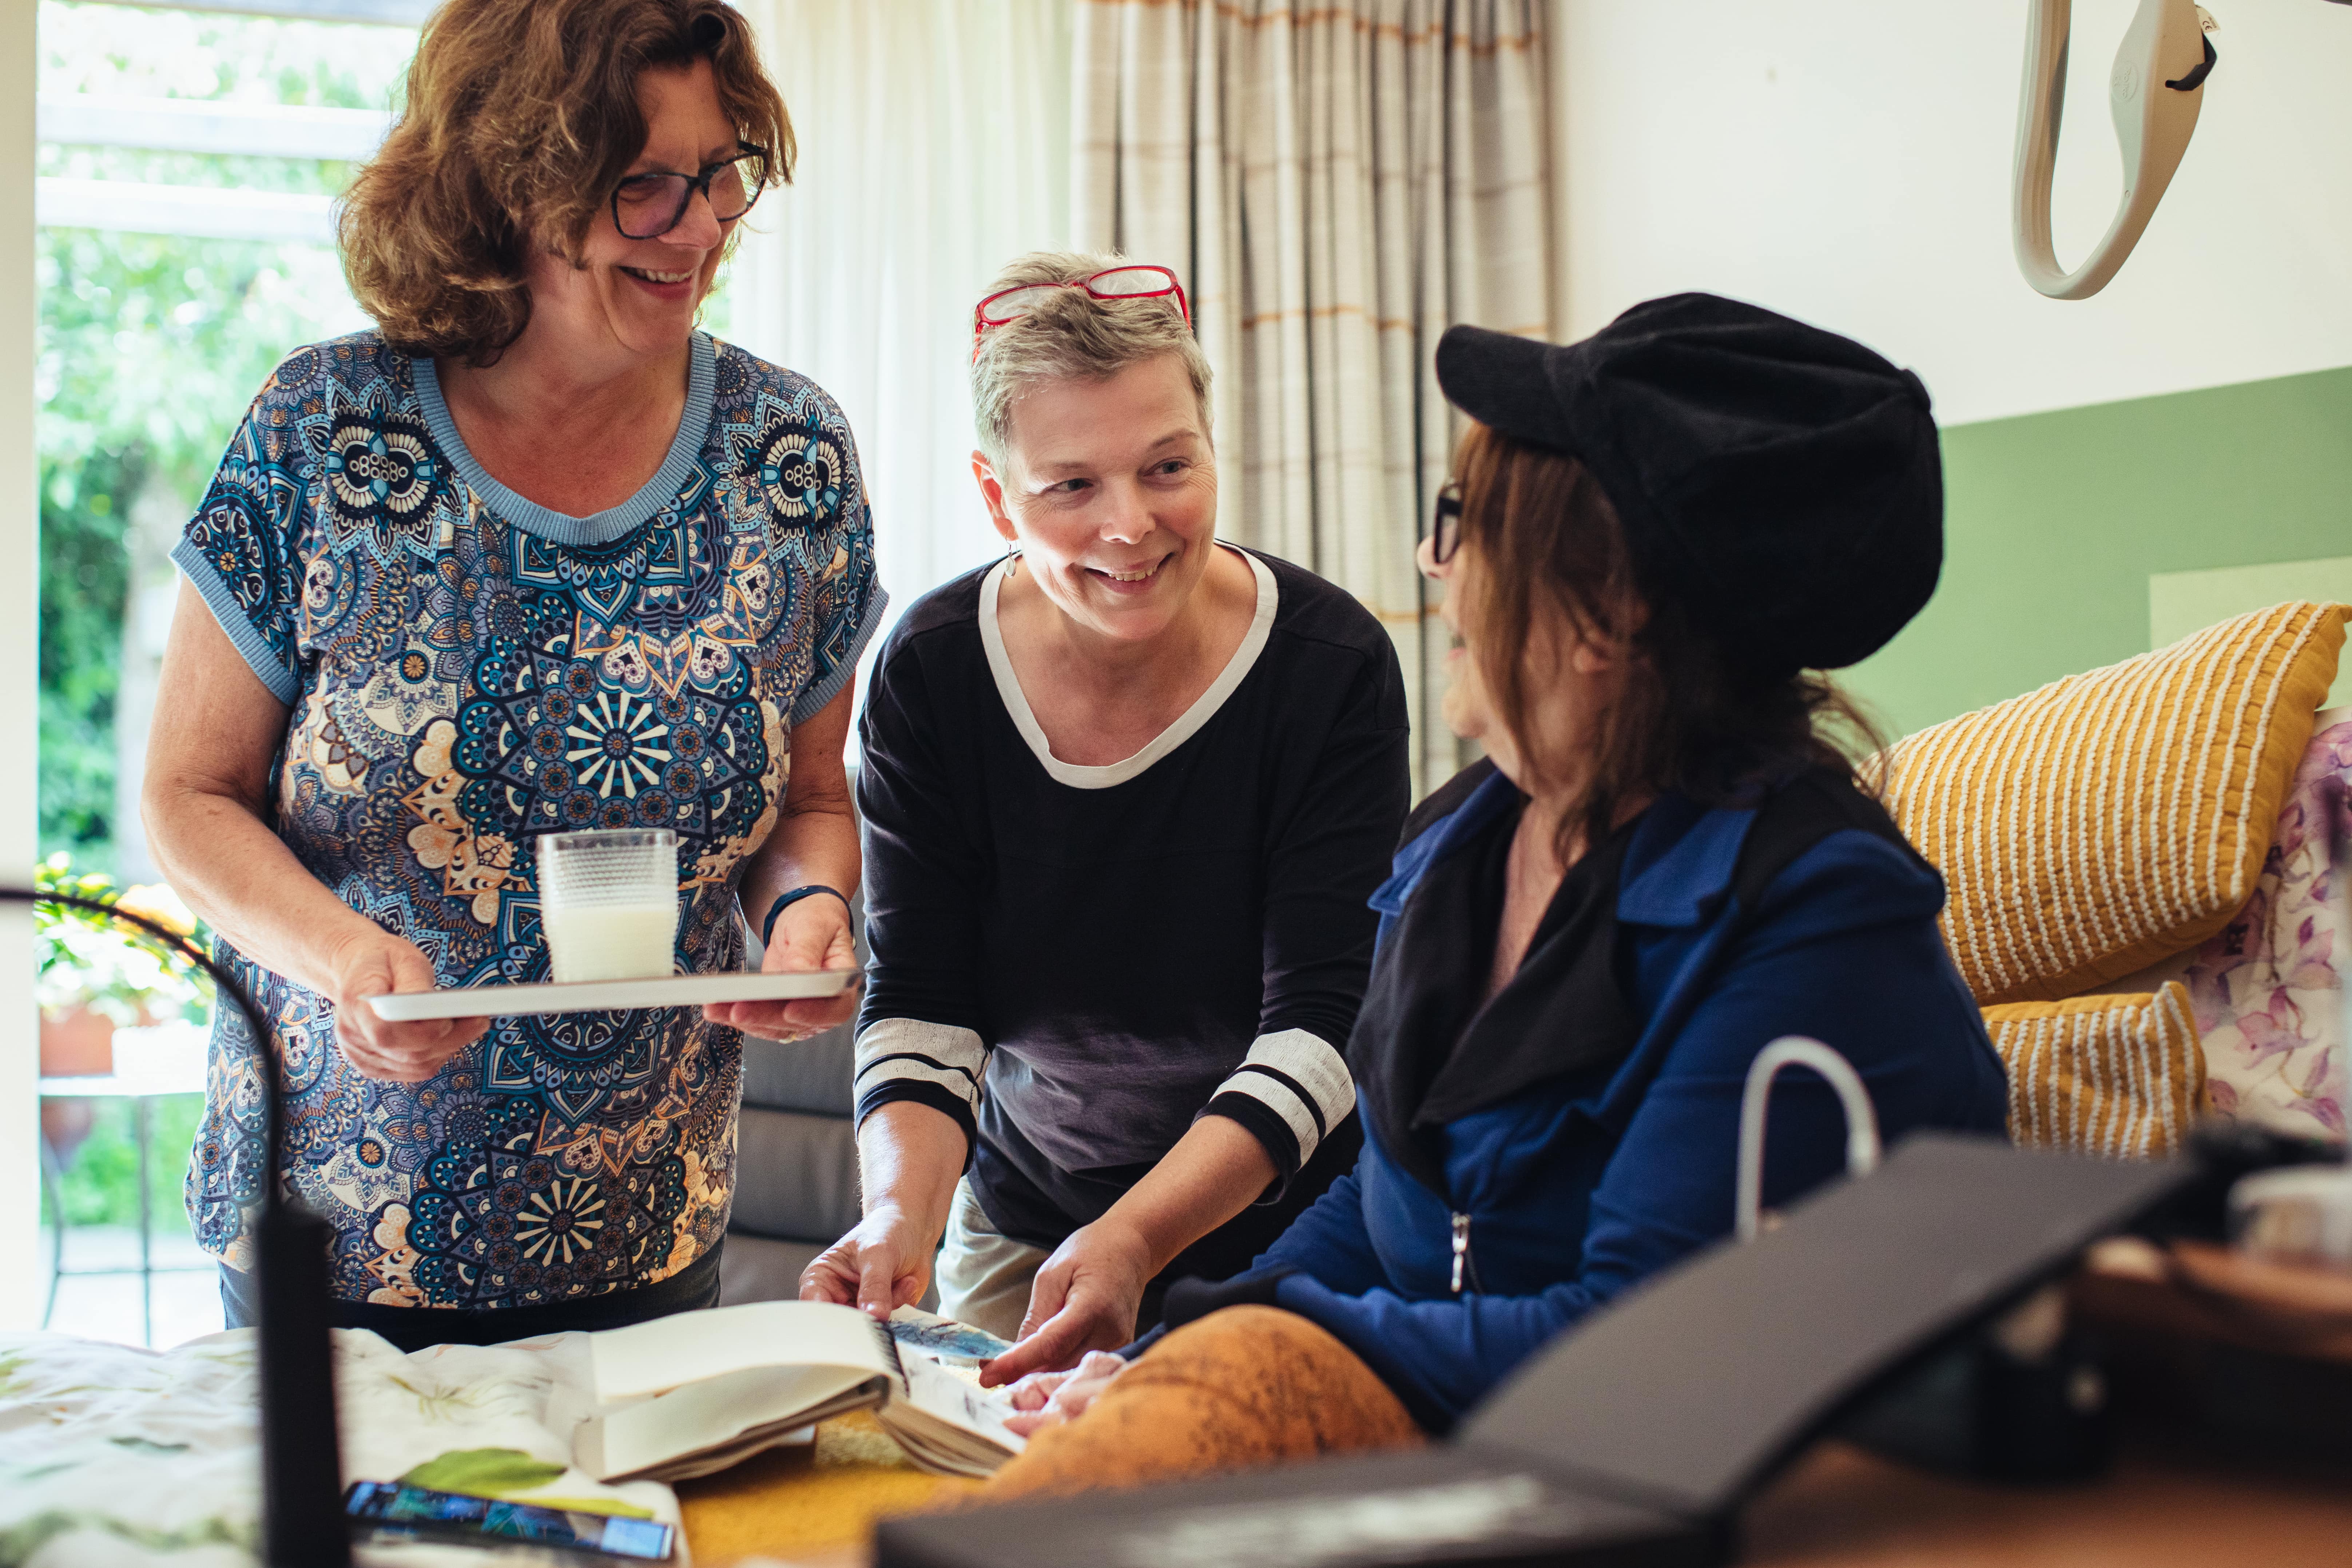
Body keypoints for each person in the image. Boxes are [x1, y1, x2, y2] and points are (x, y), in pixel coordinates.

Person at [974, 293, 2012, 1496]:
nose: (1435, 561)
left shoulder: (1816, 921)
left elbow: (1633, 1345)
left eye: (1463, 524)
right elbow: (1386, 1200)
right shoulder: (1457, 845)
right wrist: (1165, 1349)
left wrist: (1244, 1361)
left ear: (1611, 614)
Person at [143, 0, 883, 1350]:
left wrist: (807, 914)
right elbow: (189, 797)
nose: (701, 227)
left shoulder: (791, 456)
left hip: (651, 1229)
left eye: (719, 172)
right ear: (511, 183)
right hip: (336, 1227)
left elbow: (811, 802)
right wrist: (343, 957)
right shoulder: (325, 429)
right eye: (645, 184)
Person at [802, 252, 1411, 1378]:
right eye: (1071, 486)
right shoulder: (933, 672)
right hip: (1031, 1209)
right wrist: (898, 1217)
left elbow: (1325, 1022)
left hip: (1297, 1218)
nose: (1130, 526)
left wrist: (1135, 1237)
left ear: (1212, 447)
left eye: (1167, 466)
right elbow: (926, 1002)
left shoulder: (1328, 665)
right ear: (997, 496)